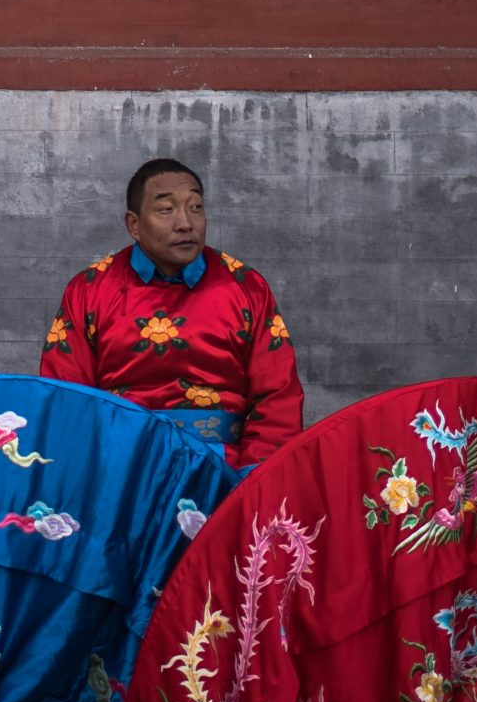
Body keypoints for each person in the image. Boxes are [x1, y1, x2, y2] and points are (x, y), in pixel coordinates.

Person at [35, 156, 302, 470]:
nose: (186, 223)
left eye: (195, 207)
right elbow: (66, 398)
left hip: (224, 469)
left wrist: (250, 481)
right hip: (118, 469)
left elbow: (278, 398)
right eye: (166, 209)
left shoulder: (245, 287)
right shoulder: (90, 290)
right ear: (133, 225)